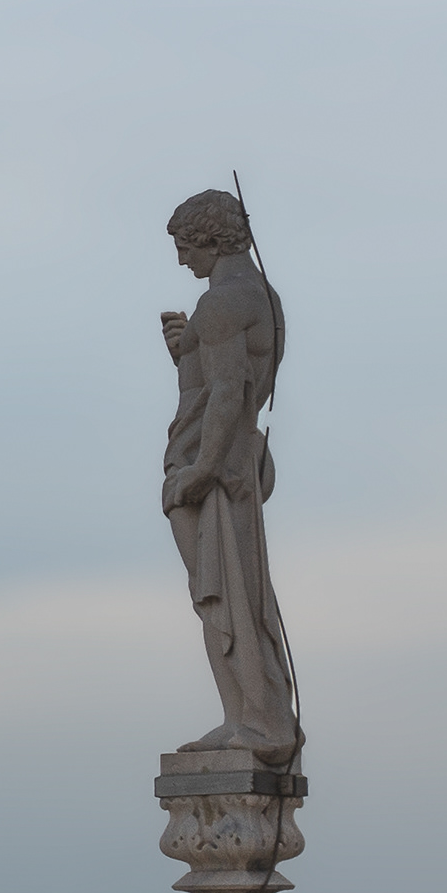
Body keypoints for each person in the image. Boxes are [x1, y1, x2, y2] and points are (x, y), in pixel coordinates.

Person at [159, 187, 296, 763]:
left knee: (225, 593)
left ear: (210, 240)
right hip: (233, 459)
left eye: (185, 247)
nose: (182, 260)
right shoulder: (260, 297)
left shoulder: (222, 305)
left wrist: (200, 470)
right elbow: (224, 380)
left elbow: (227, 394)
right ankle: (245, 714)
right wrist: (185, 350)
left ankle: (261, 724)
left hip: (216, 467)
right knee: (235, 588)